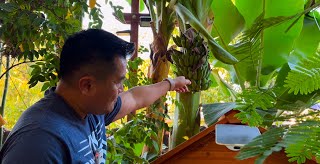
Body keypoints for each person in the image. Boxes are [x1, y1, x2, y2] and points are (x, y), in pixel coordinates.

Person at [0, 29, 191, 163]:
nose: (121, 89)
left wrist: (171, 84)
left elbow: (135, 98)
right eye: (118, 82)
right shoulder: (39, 144)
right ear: (87, 85)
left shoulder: (90, 108)